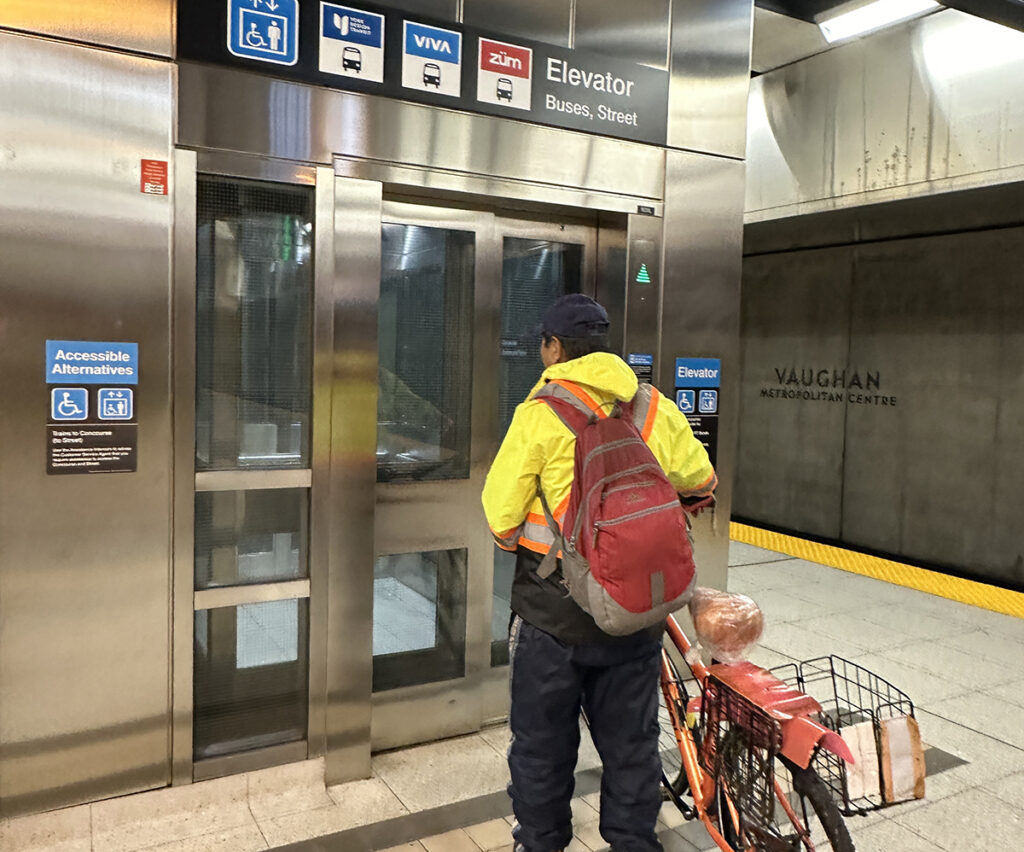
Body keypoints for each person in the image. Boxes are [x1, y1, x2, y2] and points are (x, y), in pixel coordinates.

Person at [482, 294, 717, 852]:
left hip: (551, 615)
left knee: (542, 746)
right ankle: (634, 844)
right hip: (634, 613)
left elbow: (500, 517)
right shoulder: (652, 406)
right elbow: (700, 479)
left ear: (555, 349)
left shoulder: (539, 413)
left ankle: (540, 843)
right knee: (633, 745)